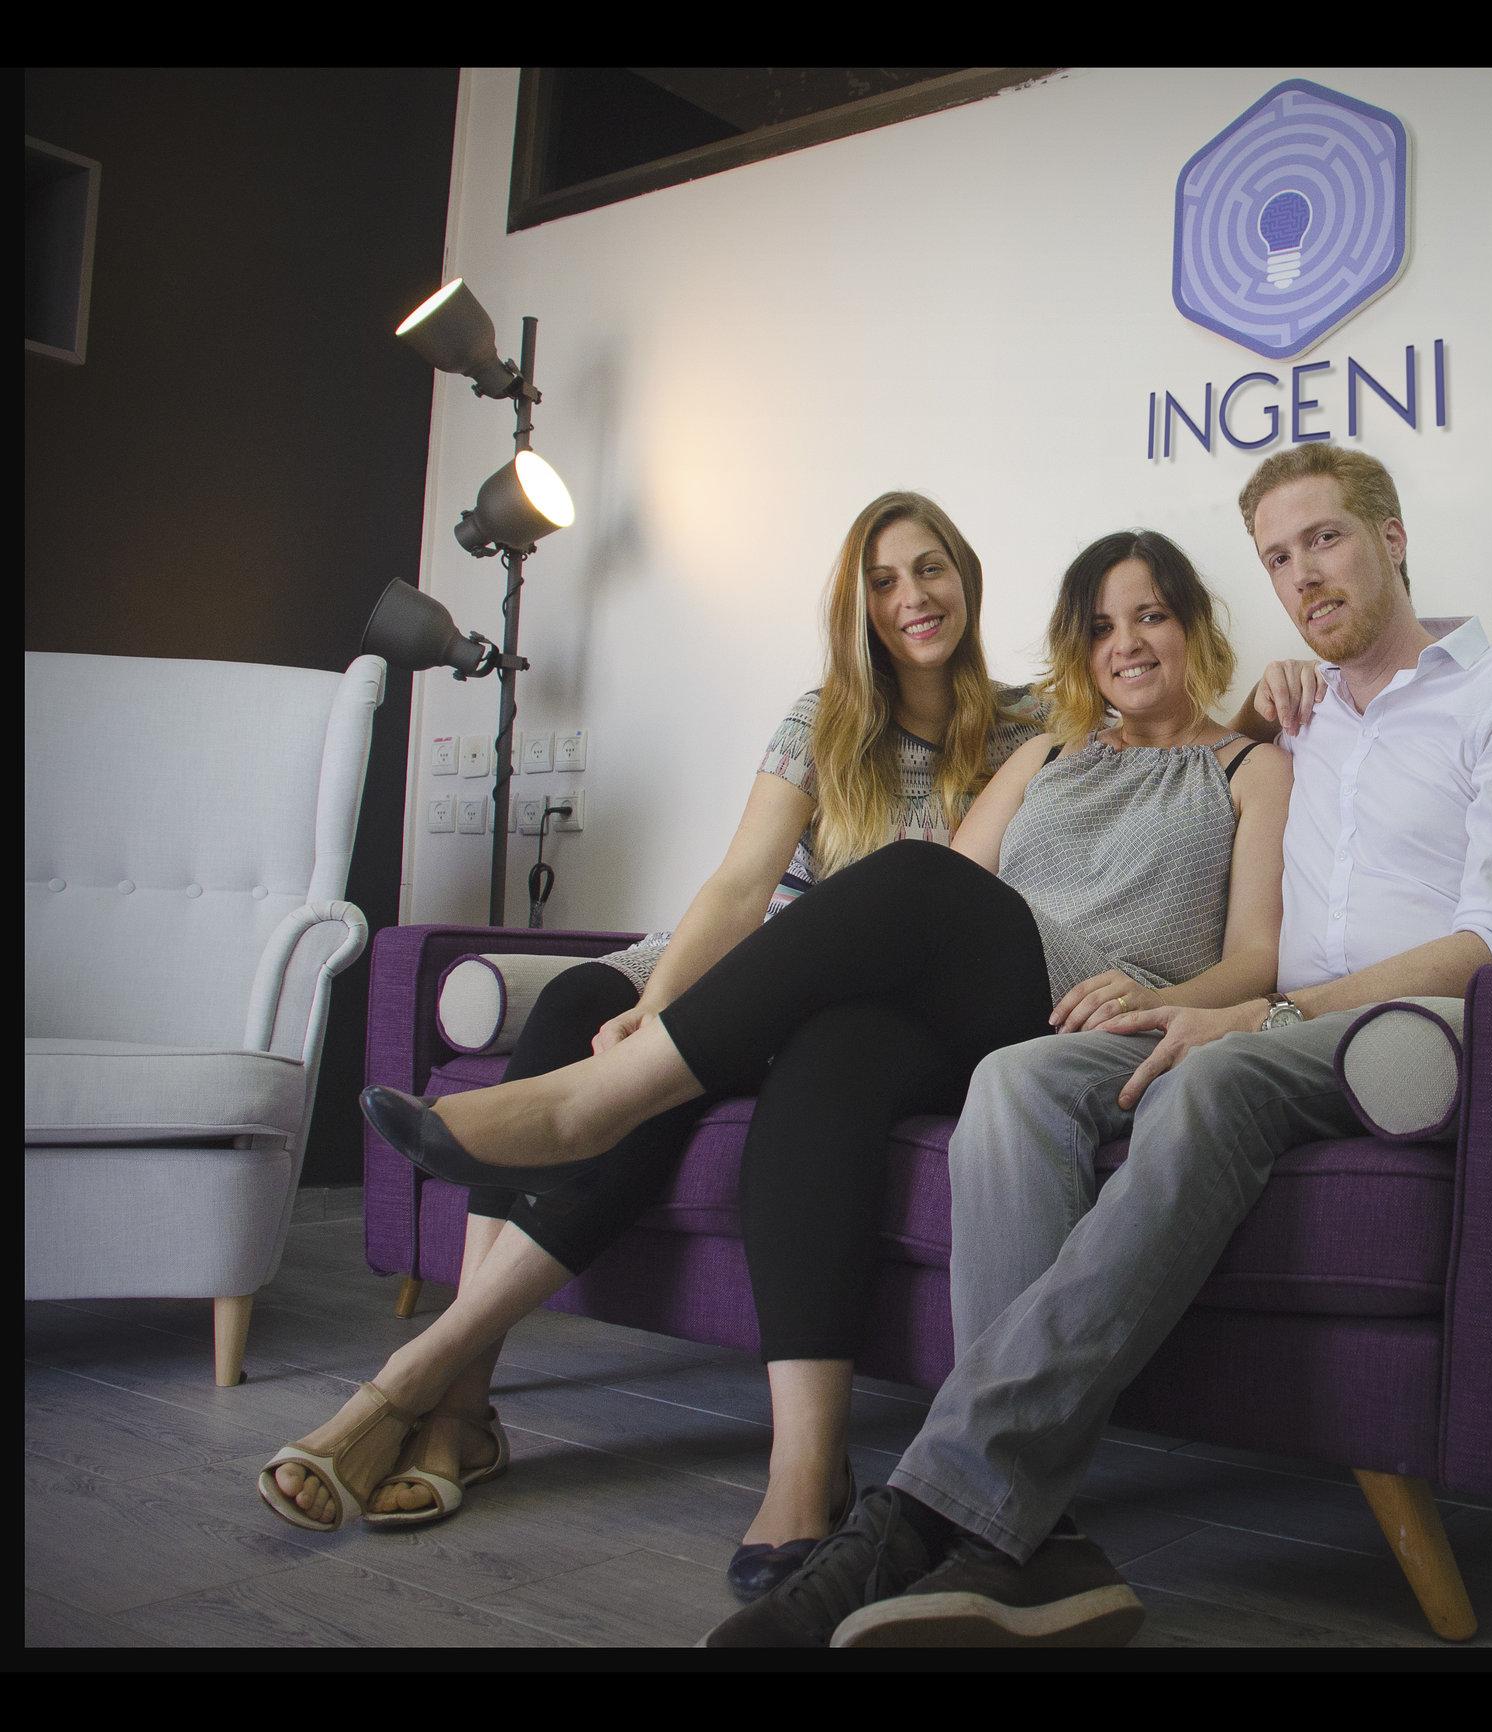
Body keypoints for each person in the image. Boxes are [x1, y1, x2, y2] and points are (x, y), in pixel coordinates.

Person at [702, 443, 1492, 1649]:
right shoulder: (1303, 717)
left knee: (1209, 1078)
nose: (1303, 575)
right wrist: (1225, 986)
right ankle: (1025, 1541)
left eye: (1325, 539)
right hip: (1261, 1017)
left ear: (1391, 539)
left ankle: (934, 1505)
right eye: (1277, 557)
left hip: (1411, 1029)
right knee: (1015, 1077)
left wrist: (1263, 1011)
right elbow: (1191, 748)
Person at [346, 528, 1292, 1616]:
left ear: (1195, 626)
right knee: (829, 1052)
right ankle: (804, 1477)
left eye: (1152, 616)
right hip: (996, 993)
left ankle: (595, 1104)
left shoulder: (1252, 767)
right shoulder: (1043, 752)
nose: (1126, 643)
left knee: (911, 876)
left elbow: (1257, 956)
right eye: (1100, 626)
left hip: (1111, 1003)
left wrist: (1172, 996)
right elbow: (956, 896)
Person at [258, 490, 1045, 1577]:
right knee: (575, 1006)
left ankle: (420, 1382)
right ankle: (467, 1402)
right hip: (744, 959)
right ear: (856, 605)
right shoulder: (822, 720)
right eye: (884, 580)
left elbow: (1165, 709)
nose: (913, 596)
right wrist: (659, 1007)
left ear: (967, 577)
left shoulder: (1029, 725)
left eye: (930, 568)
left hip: (854, 1003)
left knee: (648, 1082)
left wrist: (1261, 704)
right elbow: (738, 888)